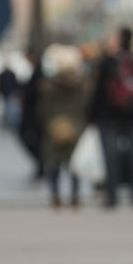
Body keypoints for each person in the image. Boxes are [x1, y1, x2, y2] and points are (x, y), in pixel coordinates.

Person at [89, 27, 133, 207]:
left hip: (109, 117)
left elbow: (99, 92)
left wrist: (93, 116)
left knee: (111, 158)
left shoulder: (109, 62)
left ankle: (112, 195)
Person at [37, 44, 87, 209]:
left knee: (53, 164)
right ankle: (75, 196)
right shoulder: (81, 85)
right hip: (76, 125)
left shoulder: (47, 86)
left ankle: (55, 196)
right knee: (74, 165)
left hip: (53, 126)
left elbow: (41, 109)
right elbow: (86, 105)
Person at [19, 49, 46, 180]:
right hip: (34, 113)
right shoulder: (36, 71)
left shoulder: (39, 72)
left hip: (35, 114)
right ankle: (41, 164)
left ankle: (41, 164)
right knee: (35, 140)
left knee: (31, 138)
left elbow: (33, 93)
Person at [0, 63, 21, 130]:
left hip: (10, 93)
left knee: (10, 108)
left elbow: (15, 83)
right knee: (7, 108)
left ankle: (10, 122)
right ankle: (7, 121)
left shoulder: (11, 74)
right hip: (5, 93)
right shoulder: (1, 75)